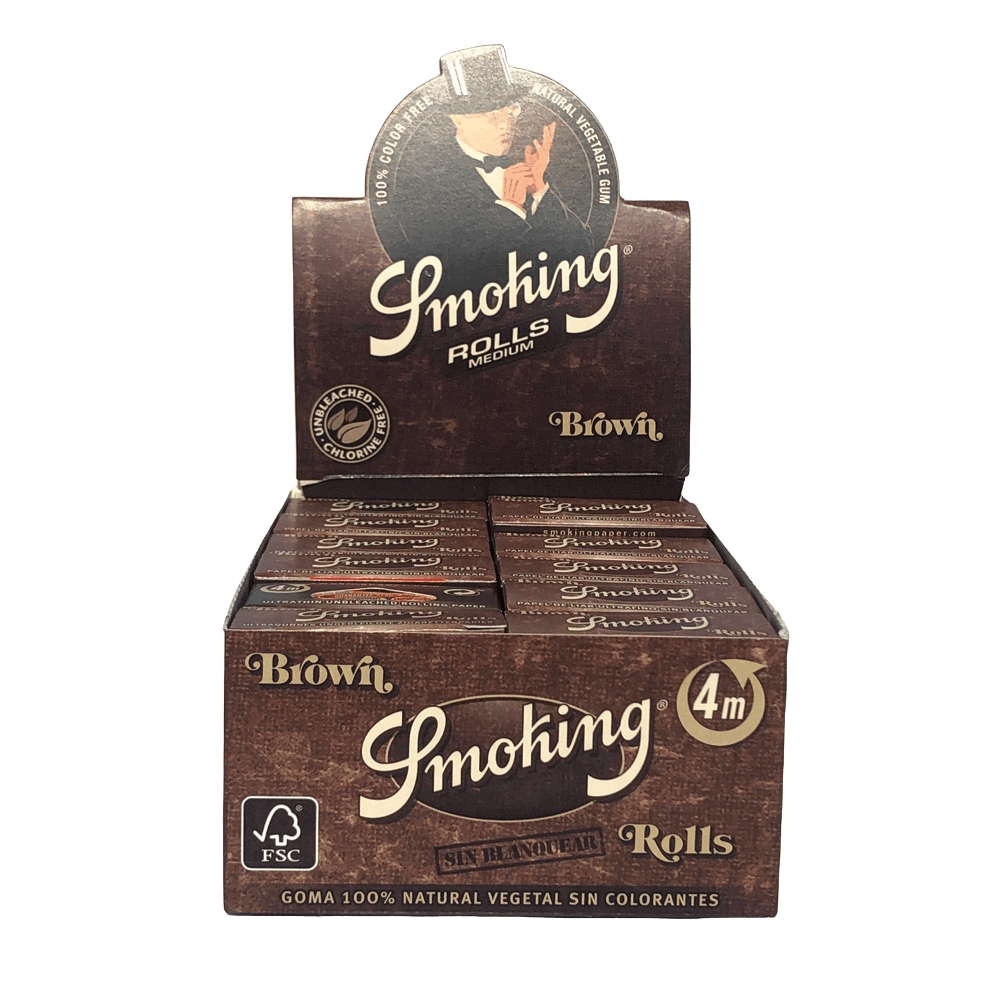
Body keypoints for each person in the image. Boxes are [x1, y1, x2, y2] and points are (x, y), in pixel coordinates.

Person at [393, 45, 594, 295]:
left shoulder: (528, 171)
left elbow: (583, 255)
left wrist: (540, 190)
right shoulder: (423, 186)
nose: (505, 125)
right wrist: (510, 208)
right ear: (457, 118)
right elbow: (449, 275)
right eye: (492, 115)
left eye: (511, 112)